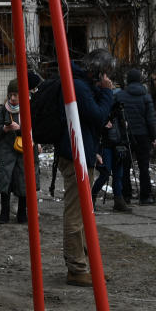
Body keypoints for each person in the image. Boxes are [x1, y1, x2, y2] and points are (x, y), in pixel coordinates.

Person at [55, 49, 116, 287]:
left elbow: (86, 123)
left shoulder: (80, 85)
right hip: (75, 156)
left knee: (83, 213)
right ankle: (77, 267)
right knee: (76, 214)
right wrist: (107, 92)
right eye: (106, 73)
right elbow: (98, 116)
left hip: (82, 152)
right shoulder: (78, 87)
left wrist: (93, 151)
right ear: (98, 71)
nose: (108, 78)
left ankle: (83, 265)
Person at [0, 79, 38, 224]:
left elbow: (36, 129)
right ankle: (4, 213)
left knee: (23, 181)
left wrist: (21, 129)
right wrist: (5, 129)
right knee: (6, 181)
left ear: (22, 95)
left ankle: (22, 213)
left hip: (25, 151)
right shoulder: (3, 109)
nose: (12, 98)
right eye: (10, 94)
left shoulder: (30, 108)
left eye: (16, 95)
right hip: (6, 150)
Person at [116, 69, 156, 205]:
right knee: (144, 167)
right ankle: (145, 196)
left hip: (125, 136)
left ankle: (125, 195)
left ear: (128, 80)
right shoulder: (146, 97)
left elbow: (115, 116)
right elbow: (150, 121)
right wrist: (153, 137)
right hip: (143, 136)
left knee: (125, 166)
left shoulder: (120, 96)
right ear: (140, 80)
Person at [91, 100, 131, 213]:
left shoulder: (120, 113)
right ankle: (92, 197)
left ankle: (118, 201)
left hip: (117, 146)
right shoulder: (103, 110)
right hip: (106, 146)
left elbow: (125, 129)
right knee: (105, 172)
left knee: (118, 174)